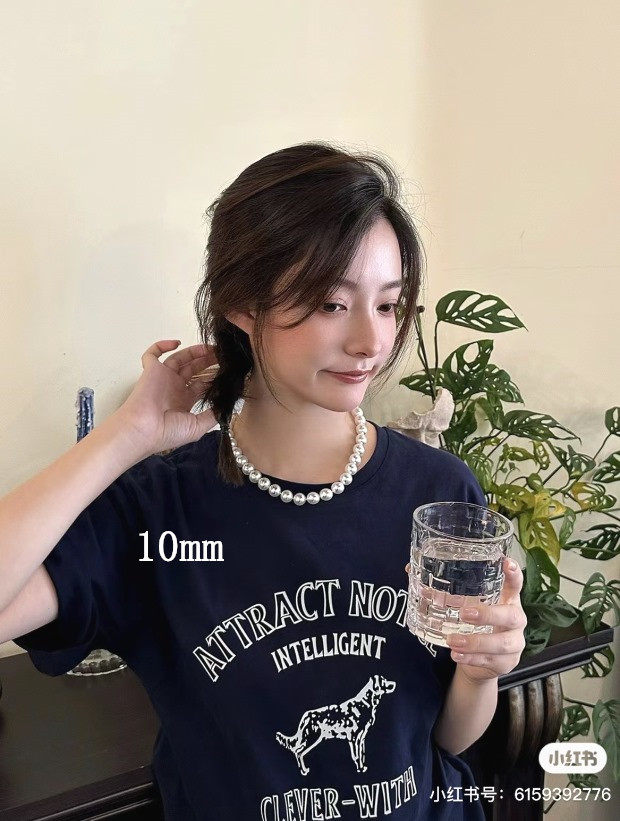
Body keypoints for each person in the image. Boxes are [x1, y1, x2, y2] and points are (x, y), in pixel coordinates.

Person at [0, 141, 527, 820]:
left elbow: (448, 738)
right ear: (242, 305)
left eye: (389, 305)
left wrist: (482, 670)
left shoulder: (437, 495)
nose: (371, 342)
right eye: (332, 304)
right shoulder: (158, 511)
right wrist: (124, 437)